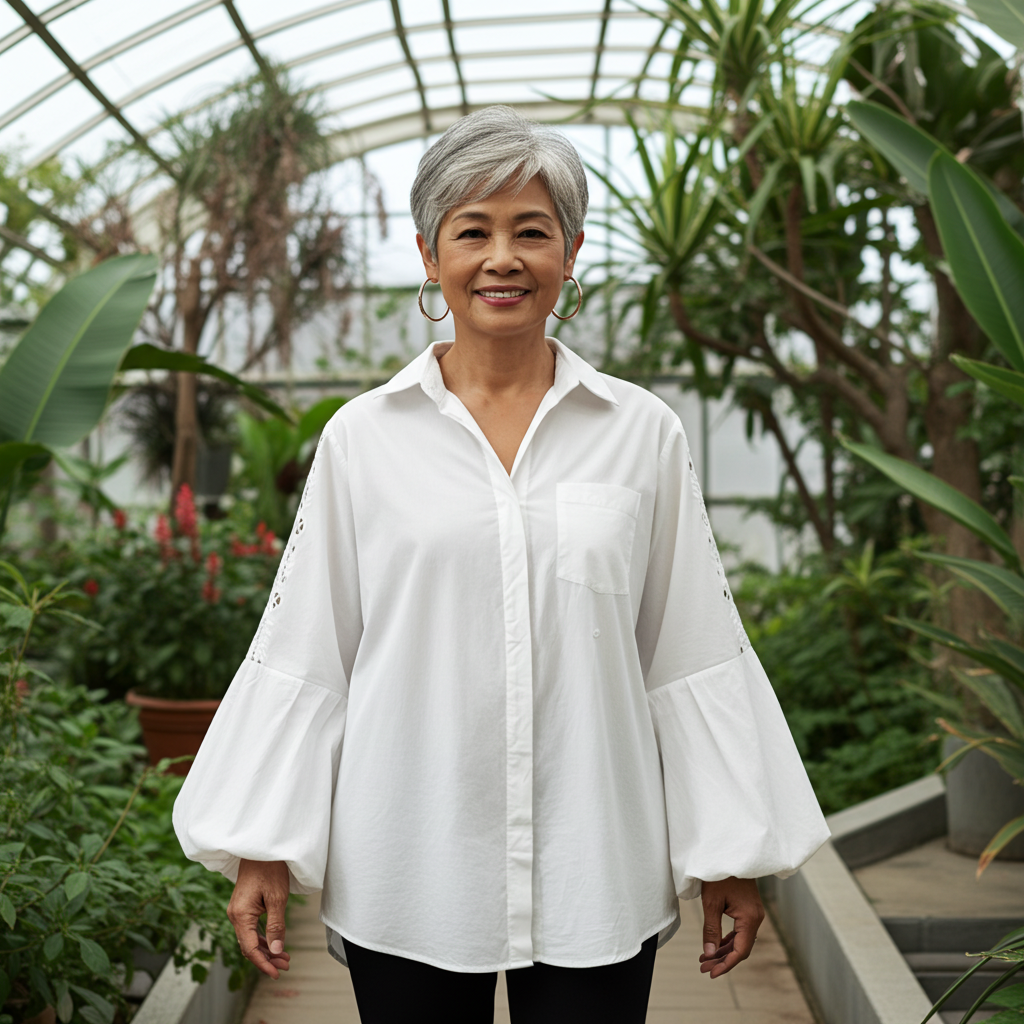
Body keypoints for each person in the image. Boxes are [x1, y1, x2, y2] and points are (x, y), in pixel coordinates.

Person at [173, 105, 829, 1023]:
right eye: (471, 231)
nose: (503, 258)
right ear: (429, 255)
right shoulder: (364, 438)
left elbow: (691, 648)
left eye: (532, 231)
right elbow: (306, 647)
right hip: (407, 864)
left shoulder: (640, 433)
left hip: (596, 862)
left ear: (572, 249)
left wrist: (731, 854)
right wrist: (262, 846)